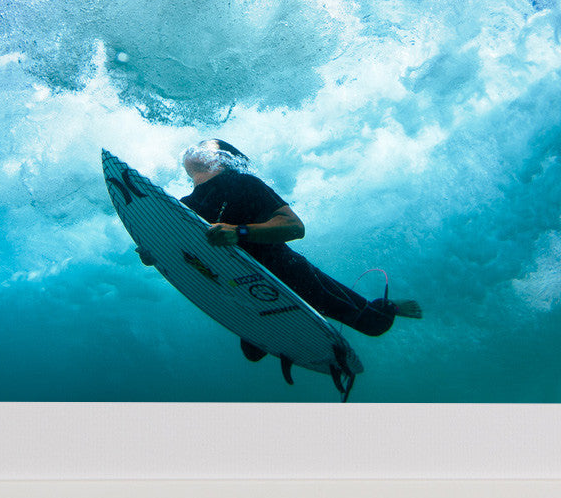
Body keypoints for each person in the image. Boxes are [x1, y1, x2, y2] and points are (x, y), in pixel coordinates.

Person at [170, 138, 422, 364]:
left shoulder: (243, 184)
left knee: (373, 324)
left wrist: (239, 232)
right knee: (252, 354)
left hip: (290, 273)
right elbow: (182, 251)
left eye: (206, 145)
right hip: (238, 284)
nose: (196, 146)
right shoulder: (184, 206)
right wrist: (158, 254)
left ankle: (389, 306)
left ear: (223, 156)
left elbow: (294, 226)